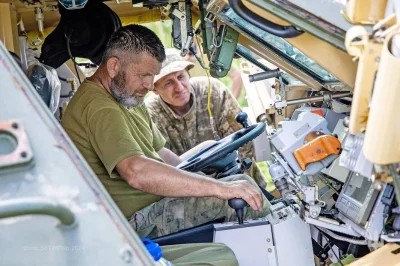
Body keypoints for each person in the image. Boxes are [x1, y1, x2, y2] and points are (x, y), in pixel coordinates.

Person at [61, 24, 270, 242]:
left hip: (156, 204)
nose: (150, 85)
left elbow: (161, 153)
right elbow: (136, 172)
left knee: (238, 183)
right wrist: (219, 189)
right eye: (144, 75)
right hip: (133, 222)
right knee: (245, 200)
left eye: (153, 76)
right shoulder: (99, 107)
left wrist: (200, 179)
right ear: (114, 66)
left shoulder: (128, 96)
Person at [146, 49, 267, 188]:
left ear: (188, 74)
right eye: (168, 83)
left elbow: (243, 144)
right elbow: (162, 172)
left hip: (239, 177)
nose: (179, 88)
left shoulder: (212, 91)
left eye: (181, 77)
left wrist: (244, 187)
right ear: (154, 89)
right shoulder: (150, 116)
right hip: (190, 191)